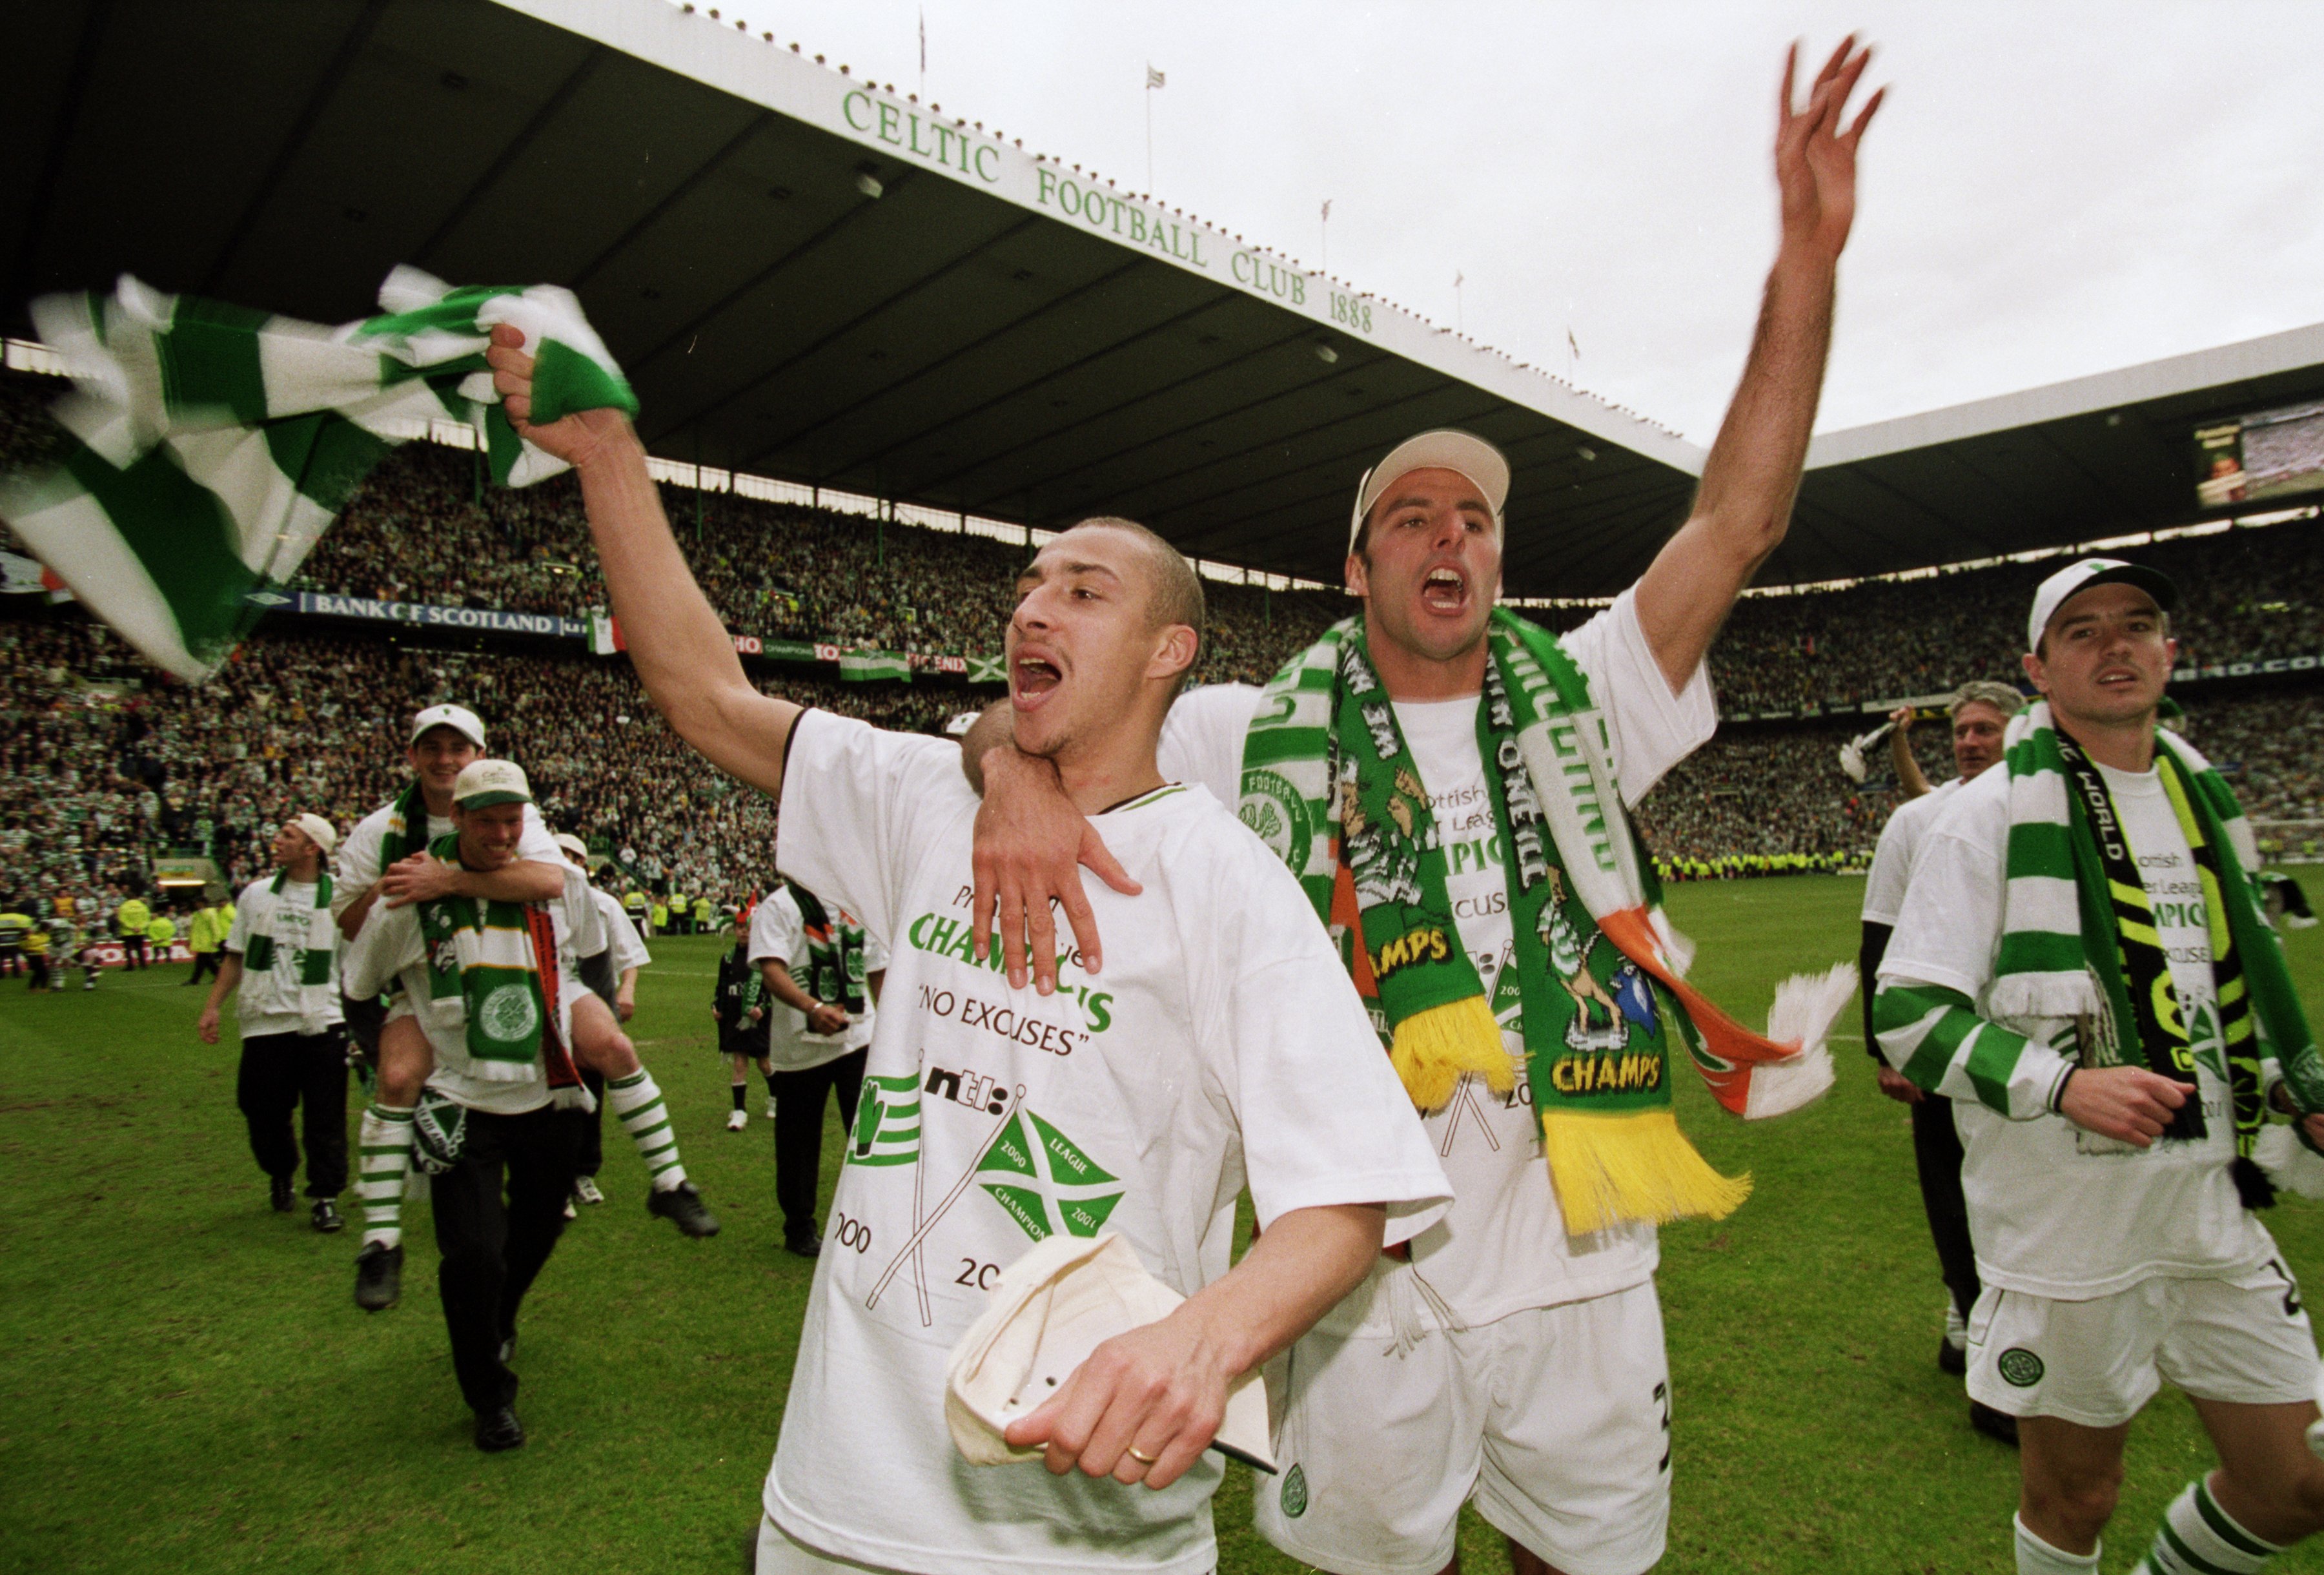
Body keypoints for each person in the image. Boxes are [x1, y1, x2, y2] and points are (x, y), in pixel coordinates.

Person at [963, 38, 1879, 1575]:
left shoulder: (1580, 696)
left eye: (1476, 519)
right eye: (1411, 515)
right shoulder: (1245, 735)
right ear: (1360, 566)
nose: (1451, 535)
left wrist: (1805, 257)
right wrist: (1008, 772)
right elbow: (1024, 710)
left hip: (1584, 1247)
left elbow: (1740, 517)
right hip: (1355, 1262)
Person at [487, 333, 1453, 1575]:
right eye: (1029, 587)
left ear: (1171, 652)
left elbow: (1346, 1196)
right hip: (833, 1502)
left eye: (1085, 589)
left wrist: (1204, 1341)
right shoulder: (921, 797)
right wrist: (610, 457)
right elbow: (705, 695)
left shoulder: (1226, 883)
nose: (1033, 606)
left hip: (1081, 1535)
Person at [1873, 559, 2324, 1575]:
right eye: (2081, 631)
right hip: (2068, 1224)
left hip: (2210, 1202)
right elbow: (1906, 1014)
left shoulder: (2207, 804)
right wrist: (2063, 1082)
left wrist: (2293, 1088)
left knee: (2296, 1484)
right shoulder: (1984, 818)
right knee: (2077, 1494)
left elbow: (2227, 997)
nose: (2114, 644)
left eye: (2137, 623)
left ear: (2173, 651)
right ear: (2039, 668)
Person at [338, 705, 716, 1313]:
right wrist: (404, 893)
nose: (444, 758)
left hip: (530, 968)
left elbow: (547, 882)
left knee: (615, 1047)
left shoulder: (520, 812)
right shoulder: (380, 830)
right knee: (398, 1076)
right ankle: (381, 1241)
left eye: (457, 748)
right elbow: (351, 923)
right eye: (430, 747)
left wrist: (449, 881)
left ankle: (670, 1182)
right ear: (413, 757)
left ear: (480, 753)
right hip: (427, 975)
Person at [341, 760, 601, 1452]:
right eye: (486, 820)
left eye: (513, 819)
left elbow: (593, 959)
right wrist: (391, 1075)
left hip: (547, 1094)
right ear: (455, 818)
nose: (502, 833)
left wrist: (588, 1032)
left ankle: (501, 1318)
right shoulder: (409, 899)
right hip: (459, 1102)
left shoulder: (553, 886)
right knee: (473, 1257)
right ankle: (490, 1399)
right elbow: (359, 989)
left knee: (541, 1228)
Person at [1859, 679, 2023, 1444]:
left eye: (1986, 730)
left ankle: (1981, 1323)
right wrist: (1886, 1051)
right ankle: (1984, 1343)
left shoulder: (2053, 813)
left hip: (2039, 1048)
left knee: (2024, 1203)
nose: (1970, 741)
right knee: (1954, 1196)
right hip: (1946, 1048)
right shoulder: (1915, 822)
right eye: (1962, 730)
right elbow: (1879, 939)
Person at [197, 814, 351, 1233]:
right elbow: (237, 954)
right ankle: (280, 1170)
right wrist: (213, 1006)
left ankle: (325, 1195)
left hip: (323, 1020)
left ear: (311, 848)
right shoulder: (256, 894)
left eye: (288, 835)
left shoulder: (341, 897)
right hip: (265, 1022)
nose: (276, 840)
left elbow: (357, 962)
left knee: (325, 1116)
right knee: (261, 1110)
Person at [748, 880, 886, 1257]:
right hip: (800, 1046)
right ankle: (799, 1228)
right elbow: (771, 969)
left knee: (870, 1137)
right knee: (798, 1143)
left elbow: (877, 969)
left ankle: (878, 1224)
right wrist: (812, 1007)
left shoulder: (858, 900)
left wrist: (892, 1026)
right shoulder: (780, 906)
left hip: (860, 1037)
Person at [558, 834, 653, 1213]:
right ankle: (555, 1180)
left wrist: (626, 992)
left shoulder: (603, 905)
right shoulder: (530, 899)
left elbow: (629, 956)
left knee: (590, 1093)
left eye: (573, 858)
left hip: (594, 1007)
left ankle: (582, 1172)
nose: (566, 863)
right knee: (552, 1096)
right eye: (559, 855)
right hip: (549, 1011)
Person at [713, 911, 771, 1131]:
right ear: (734, 930)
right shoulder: (728, 958)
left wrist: (762, 1007)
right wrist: (716, 1006)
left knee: (764, 1063)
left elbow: (771, 988)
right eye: (739, 927)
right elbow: (722, 987)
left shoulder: (761, 958)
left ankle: (775, 1096)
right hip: (735, 1018)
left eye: (748, 927)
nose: (744, 931)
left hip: (758, 1019)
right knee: (739, 1062)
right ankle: (739, 1111)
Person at [185, 886, 234, 987]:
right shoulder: (197, 914)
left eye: (197, 902)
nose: (195, 904)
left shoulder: (210, 914)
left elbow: (215, 927)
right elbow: (194, 929)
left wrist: (216, 939)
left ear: (202, 903)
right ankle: (219, 977)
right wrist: (190, 939)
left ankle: (195, 980)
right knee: (208, 962)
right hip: (202, 941)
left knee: (202, 961)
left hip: (207, 941)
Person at [116, 887, 151, 971]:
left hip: (128, 932)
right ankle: (143, 965)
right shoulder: (143, 906)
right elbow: (147, 919)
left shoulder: (124, 907)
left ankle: (130, 966)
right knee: (140, 949)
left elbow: (122, 920)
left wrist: (132, 927)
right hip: (140, 932)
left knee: (128, 950)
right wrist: (140, 927)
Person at [21, 914, 52, 993]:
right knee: (44, 973)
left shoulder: (34, 936)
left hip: (33, 956)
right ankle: (43, 988)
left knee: (38, 973)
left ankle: (32, 988)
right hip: (36, 955)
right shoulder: (40, 937)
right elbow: (40, 942)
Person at [0, 901, 28, 979]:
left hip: (1, 943)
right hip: (14, 942)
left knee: (2, 959)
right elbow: (23, 930)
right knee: (15, 959)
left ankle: (1, 974)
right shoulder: (17, 918)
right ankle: (17, 974)